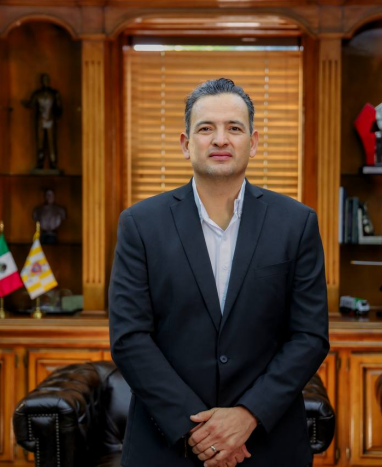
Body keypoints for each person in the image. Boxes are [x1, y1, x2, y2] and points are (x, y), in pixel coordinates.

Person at [109, 78, 329, 467]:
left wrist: (247, 415)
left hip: (268, 445)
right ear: (185, 143)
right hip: (166, 446)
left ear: (253, 142)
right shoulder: (140, 224)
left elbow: (309, 336)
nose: (220, 139)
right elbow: (130, 338)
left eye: (234, 128)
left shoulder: (297, 224)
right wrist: (196, 429)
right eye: (206, 128)